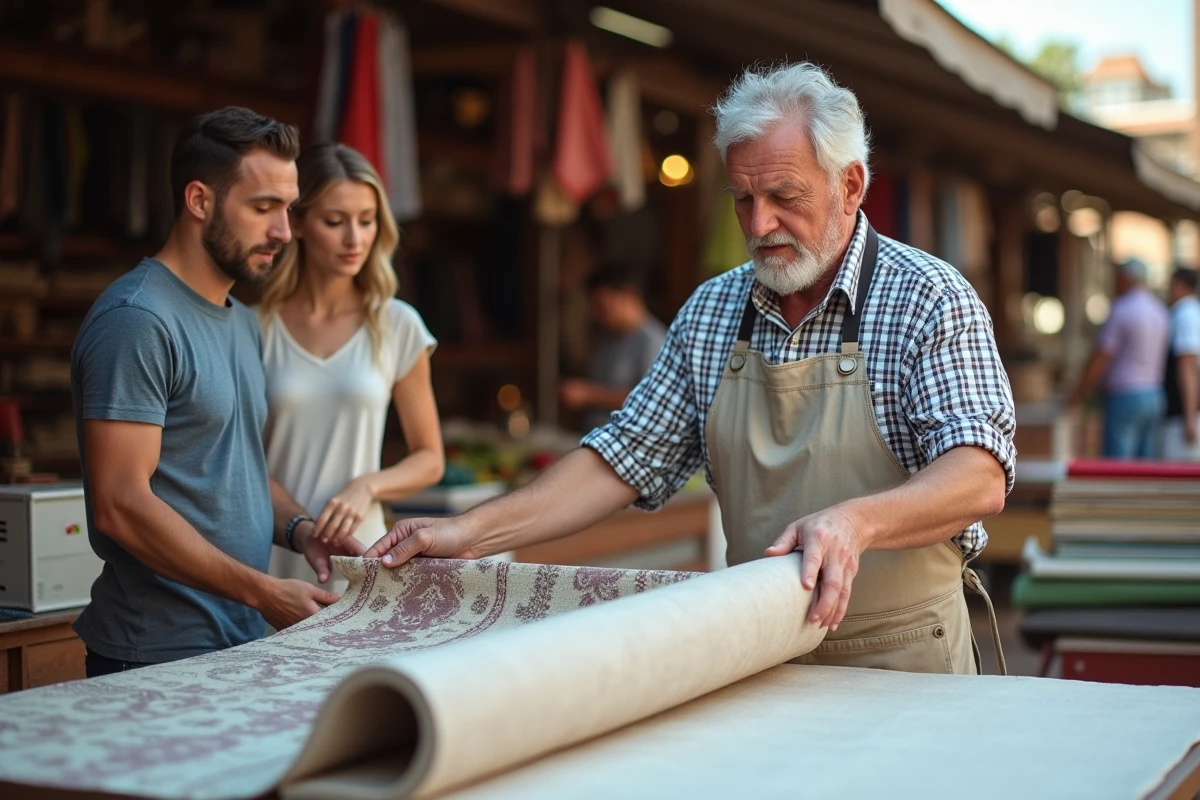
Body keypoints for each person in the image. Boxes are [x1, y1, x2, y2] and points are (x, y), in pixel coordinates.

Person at [367, 63, 1017, 676]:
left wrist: (855, 522)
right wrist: (470, 531)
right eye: (743, 199)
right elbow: (624, 457)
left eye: (784, 196)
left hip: (906, 657)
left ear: (849, 186)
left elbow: (979, 474)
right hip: (764, 654)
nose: (760, 224)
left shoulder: (929, 298)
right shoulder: (712, 311)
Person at [71, 107, 363, 678]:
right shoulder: (137, 320)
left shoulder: (242, 321)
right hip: (153, 655)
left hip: (239, 642)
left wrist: (302, 531)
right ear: (199, 200)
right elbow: (120, 505)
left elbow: (237, 468)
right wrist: (262, 592)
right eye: (263, 208)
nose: (284, 231)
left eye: (287, 209)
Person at [256, 143, 443, 587]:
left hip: (364, 553)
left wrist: (368, 485)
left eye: (367, 220)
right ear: (297, 223)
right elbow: (244, 461)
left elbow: (430, 458)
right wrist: (298, 526)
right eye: (335, 221)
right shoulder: (254, 327)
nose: (354, 239)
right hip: (273, 554)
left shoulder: (396, 324)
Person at [1070, 258, 1170, 459]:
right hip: (1154, 394)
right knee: (1146, 464)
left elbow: (1102, 356)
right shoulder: (1159, 311)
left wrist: (1080, 392)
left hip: (1125, 395)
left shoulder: (1122, 309)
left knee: (1118, 466)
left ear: (1126, 278)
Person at [559, 263, 667, 431]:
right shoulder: (606, 338)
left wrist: (589, 395)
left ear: (628, 296)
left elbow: (651, 401)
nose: (597, 315)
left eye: (602, 307)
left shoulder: (654, 341)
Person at [1163, 267, 1200, 460]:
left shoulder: (1186, 314)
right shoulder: (1189, 312)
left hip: (1181, 413)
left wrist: (1189, 417)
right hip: (1182, 411)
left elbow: (1188, 366)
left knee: (1179, 471)